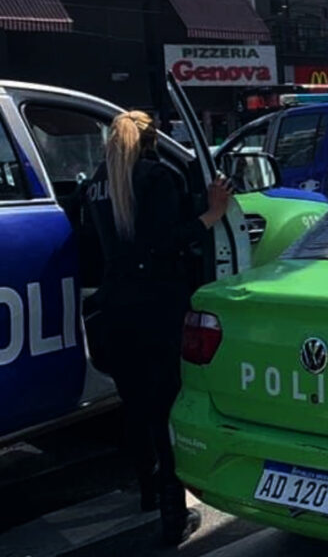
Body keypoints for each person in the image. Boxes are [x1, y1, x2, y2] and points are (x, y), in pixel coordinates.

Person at [86, 112, 232, 545]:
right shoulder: (156, 177)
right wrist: (213, 213)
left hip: (113, 307)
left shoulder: (96, 184)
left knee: (134, 407)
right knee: (167, 407)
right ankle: (173, 513)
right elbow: (168, 242)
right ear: (151, 141)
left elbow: (90, 248)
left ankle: (148, 491)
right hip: (156, 308)